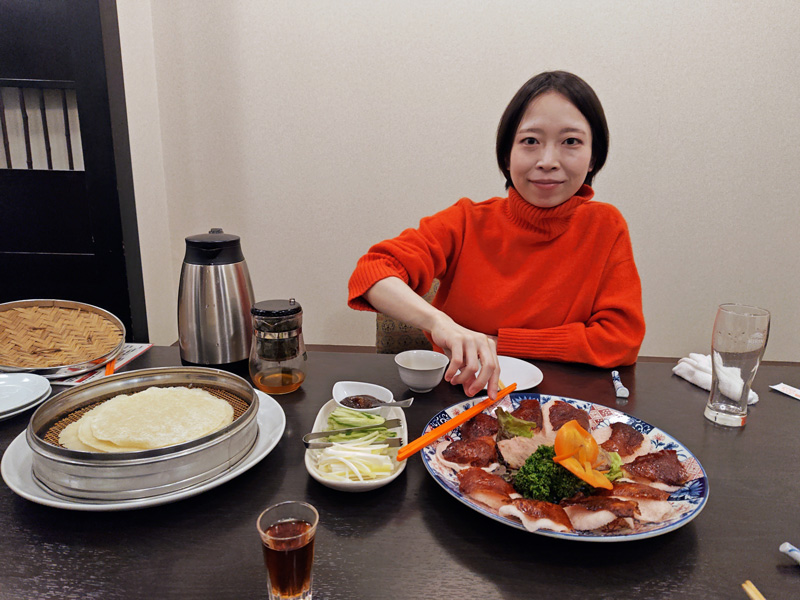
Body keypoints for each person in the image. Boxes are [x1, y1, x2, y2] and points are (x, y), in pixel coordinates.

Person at [347, 71, 645, 398]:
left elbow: (620, 340)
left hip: (564, 402)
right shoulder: (466, 221)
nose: (548, 161)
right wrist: (440, 323)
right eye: (530, 141)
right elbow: (372, 273)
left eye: (571, 142)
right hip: (461, 395)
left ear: (593, 157)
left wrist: (498, 342)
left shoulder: (605, 226)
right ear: (506, 154)